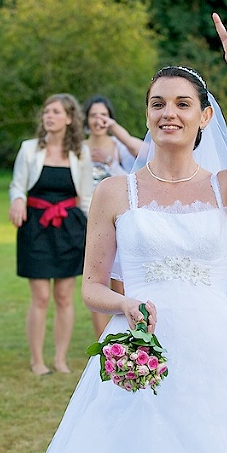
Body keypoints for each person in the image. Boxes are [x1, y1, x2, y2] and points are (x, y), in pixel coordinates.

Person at [43, 14, 227, 453]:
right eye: (157, 103)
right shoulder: (114, 192)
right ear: (147, 114)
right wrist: (125, 303)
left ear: (205, 116)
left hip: (214, 347)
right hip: (139, 345)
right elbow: (92, 287)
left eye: (182, 103)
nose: (168, 113)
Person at [9, 93, 94, 375]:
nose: (49, 116)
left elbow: (86, 197)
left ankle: (59, 358)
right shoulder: (29, 149)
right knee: (41, 296)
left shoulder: (81, 153)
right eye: (46, 111)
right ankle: (37, 360)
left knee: (64, 296)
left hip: (69, 229)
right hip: (36, 227)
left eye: (56, 112)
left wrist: (96, 228)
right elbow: (17, 186)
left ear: (69, 118)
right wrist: (17, 200)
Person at [83, 95, 143, 337]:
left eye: (103, 115)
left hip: (118, 217)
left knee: (121, 282)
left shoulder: (119, 147)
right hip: (87, 216)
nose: (98, 120)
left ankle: (125, 335)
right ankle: (102, 340)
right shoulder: (78, 148)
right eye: (93, 115)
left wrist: (109, 159)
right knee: (96, 281)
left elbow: (140, 162)